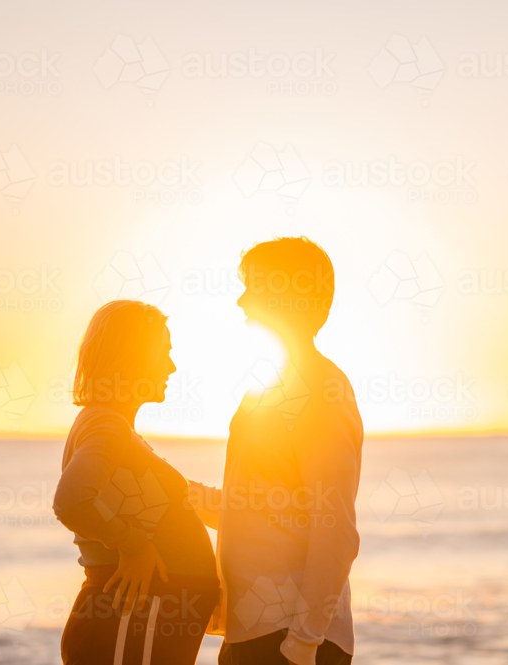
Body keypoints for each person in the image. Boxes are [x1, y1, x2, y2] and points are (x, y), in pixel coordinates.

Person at [188, 237, 363, 665]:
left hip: (291, 640)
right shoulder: (266, 389)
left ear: (287, 295)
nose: (242, 300)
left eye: (253, 286)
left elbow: (335, 530)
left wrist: (302, 645)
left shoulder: (321, 390)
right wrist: (172, 491)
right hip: (253, 632)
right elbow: (253, 508)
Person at [54, 300, 219, 665]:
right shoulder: (106, 425)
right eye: (164, 354)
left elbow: (184, 501)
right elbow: (71, 501)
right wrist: (132, 545)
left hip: (139, 625)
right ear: (133, 357)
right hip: (129, 623)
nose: (172, 367)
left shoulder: (117, 430)